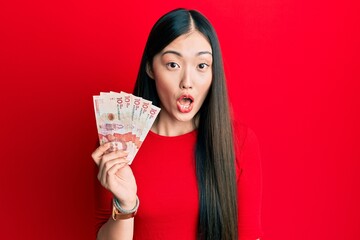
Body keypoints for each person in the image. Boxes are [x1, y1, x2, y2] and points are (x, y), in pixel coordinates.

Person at [91, 8, 263, 240]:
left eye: (201, 66)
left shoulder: (240, 142)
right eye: (173, 64)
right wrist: (126, 204)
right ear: (151, 68)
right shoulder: (118, 143)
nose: (187, 82)